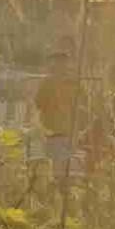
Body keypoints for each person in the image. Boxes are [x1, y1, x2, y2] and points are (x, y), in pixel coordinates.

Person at [35, 46, 79, 179]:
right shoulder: (48, 82)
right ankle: (58, 190)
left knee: (62, 167)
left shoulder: (72, 82)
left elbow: (79, 102)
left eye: (63, 62)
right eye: (59, 62)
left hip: (66, 130)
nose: (61, 66)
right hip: (54, 130)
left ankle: (60, 191)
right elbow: (39, 103)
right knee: (58, 167)